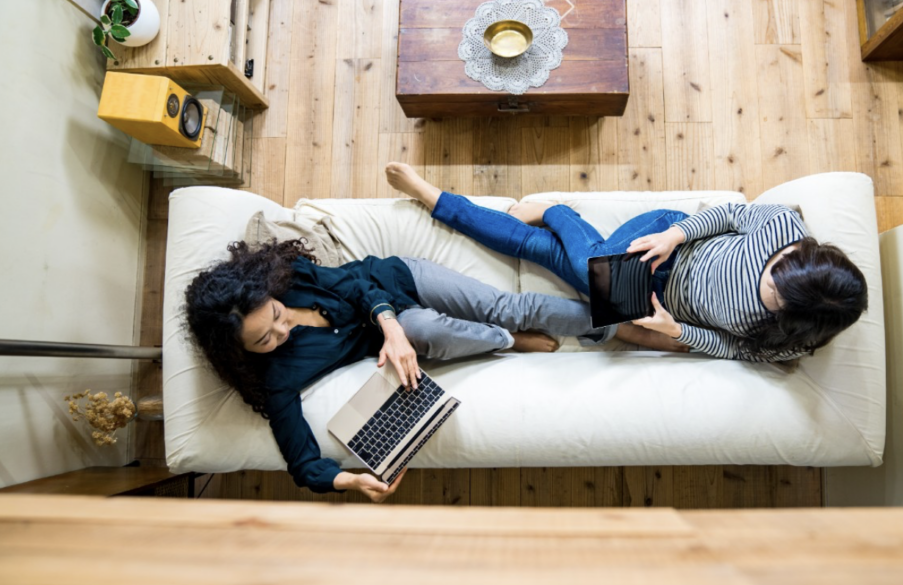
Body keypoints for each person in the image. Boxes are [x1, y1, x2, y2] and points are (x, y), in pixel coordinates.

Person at [184, 239, 608, 502]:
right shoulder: (277, 378)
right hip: (410, 329)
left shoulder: (290, 278)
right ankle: (508, 340)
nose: (283, 328)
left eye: (277, 315)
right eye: (264, 339)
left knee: (508, 308)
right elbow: (302, 461)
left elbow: (356, 285)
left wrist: (388, 324)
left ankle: (621, 316)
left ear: (271, 295)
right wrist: (348, 482)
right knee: (421, 326)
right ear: (242, 352)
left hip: (398, 281)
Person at [384, 161, 868, 364]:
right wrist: (674, 233)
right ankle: (557, 210)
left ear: (792, 317)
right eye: (777, 266)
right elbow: (730, 214)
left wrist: (674, 330)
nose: (768, 277)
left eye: (773, 295)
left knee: (539, 250)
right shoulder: (784, 228)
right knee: (593, 263)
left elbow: (735, 349)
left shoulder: (789, 342)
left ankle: (433, 197)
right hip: (666, 241)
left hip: (652, 302)